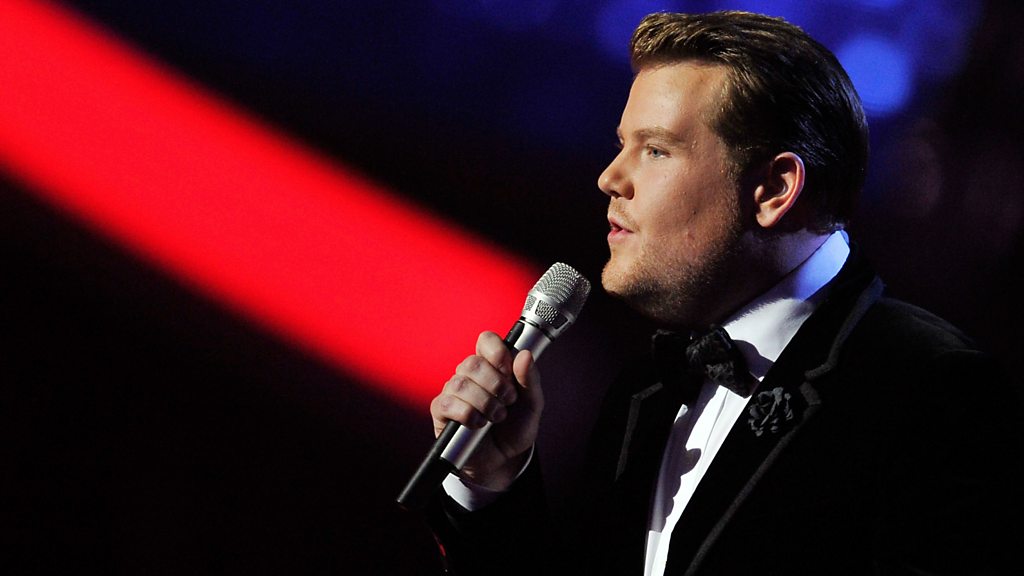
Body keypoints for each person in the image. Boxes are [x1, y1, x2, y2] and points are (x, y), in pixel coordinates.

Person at [421, 11, 1022, 575]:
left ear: (774, 189)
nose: (610, 178)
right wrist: (491, 481)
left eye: (656, 150)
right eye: (622, 145)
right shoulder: (646, 390)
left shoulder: (932, 387)